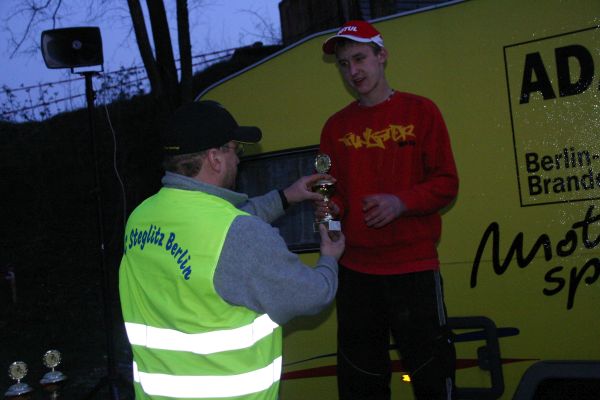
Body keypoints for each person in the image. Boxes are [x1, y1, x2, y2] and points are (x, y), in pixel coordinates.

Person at [119, 100, 345, 400]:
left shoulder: (141, 216)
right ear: (215, 158)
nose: (238, 159)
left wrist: (287, 196)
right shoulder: (238, 233)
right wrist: (329, 257)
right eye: (235, 150)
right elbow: (312, 295)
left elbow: (216, 230)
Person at [317, 20, 459, 400]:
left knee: (432, 377)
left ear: (382, 56)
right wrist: (329, 215)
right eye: (344, 64)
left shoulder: (422, 111)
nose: (353, 71)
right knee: (361, 383)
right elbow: (331, 194)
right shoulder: (335, 127)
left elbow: (447, 183)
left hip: (414, 269)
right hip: (356, 274)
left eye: (360, 58)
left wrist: (401, 202)